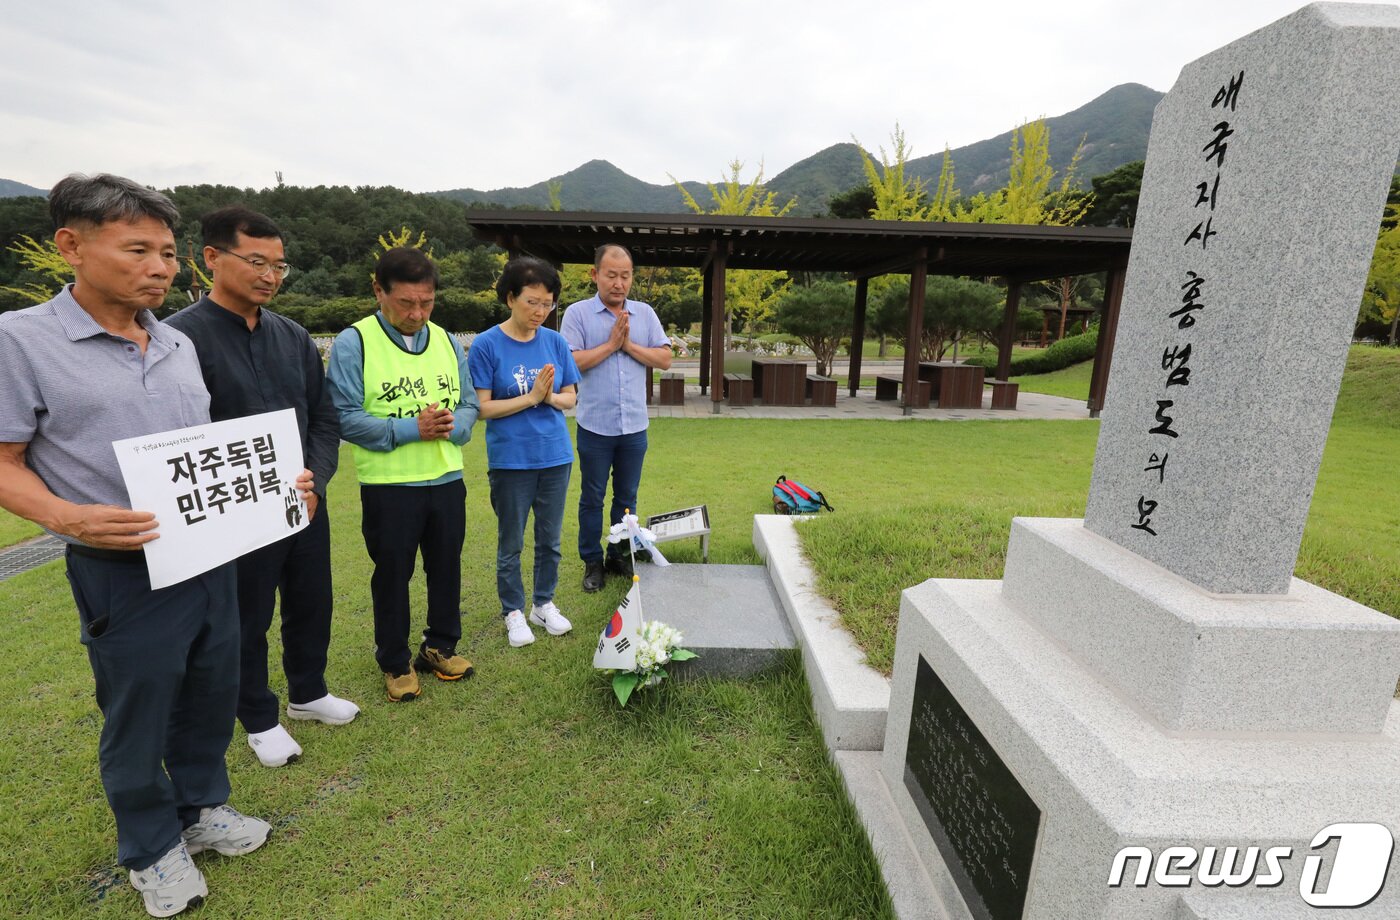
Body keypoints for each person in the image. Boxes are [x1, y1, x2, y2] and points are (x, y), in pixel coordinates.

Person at [0, 174, 307, 917]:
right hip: (120, 569)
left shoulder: (173, 341)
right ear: (71, 246)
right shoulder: (22, 340)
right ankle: (149, 847)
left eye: (167, 253)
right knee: (138, 709)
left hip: (209, 552)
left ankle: (201, 808)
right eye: (138, 249)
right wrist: (69, 517)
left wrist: (272, 484)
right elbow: (4, 460)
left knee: (210, 690)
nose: (161, 268)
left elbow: (206, 451)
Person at [165, 207, 357, 769]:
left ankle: (308, 692)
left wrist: (316, 480)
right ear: (211, 259)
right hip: (233, 513)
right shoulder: (179, 339)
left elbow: (323, 418)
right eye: (256, 262)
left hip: (300, 501)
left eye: (279, 266)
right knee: (246, 616)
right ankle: (257, 717)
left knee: (311, 601)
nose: (270, 276)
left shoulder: (292, 336)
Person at [326, 247, 479, 702]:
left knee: (446, 567)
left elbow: (469, 402)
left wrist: (460, 426)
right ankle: (394, 660)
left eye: (427, 302)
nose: (417, 313)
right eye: (406, 303)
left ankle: (439, 646)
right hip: (390, 487)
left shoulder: (449, 341)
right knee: (393, 573)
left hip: (447, 478)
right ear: (379, 292)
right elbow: (343, 416)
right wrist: (412, 428)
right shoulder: (355, 341)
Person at [467, 257, 579, 647]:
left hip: (555, 455)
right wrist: (532, 396)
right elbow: (482, 408)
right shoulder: (486, 345)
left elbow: (570, 398)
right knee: (511, 541)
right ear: (510, 297)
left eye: (547, 304)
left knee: (550, 539)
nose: (540, 311)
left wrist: (549, 397)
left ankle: (543, 603)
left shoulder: (555, 341)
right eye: (532, 301)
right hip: (511, 459)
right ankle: (513, 611)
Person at [560, 243, 673, 592]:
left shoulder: (645, 313)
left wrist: (627, 346)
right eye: (611, 275)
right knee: (592, 496)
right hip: (595, 424)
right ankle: (592, 561)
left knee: (627, 497)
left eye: (625, 276)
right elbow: (570, 362)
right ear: (595, 275)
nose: (618, 283)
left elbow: (665, 358)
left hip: (634, 425)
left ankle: (619, 554)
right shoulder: (577, 314)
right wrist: (610, 345)